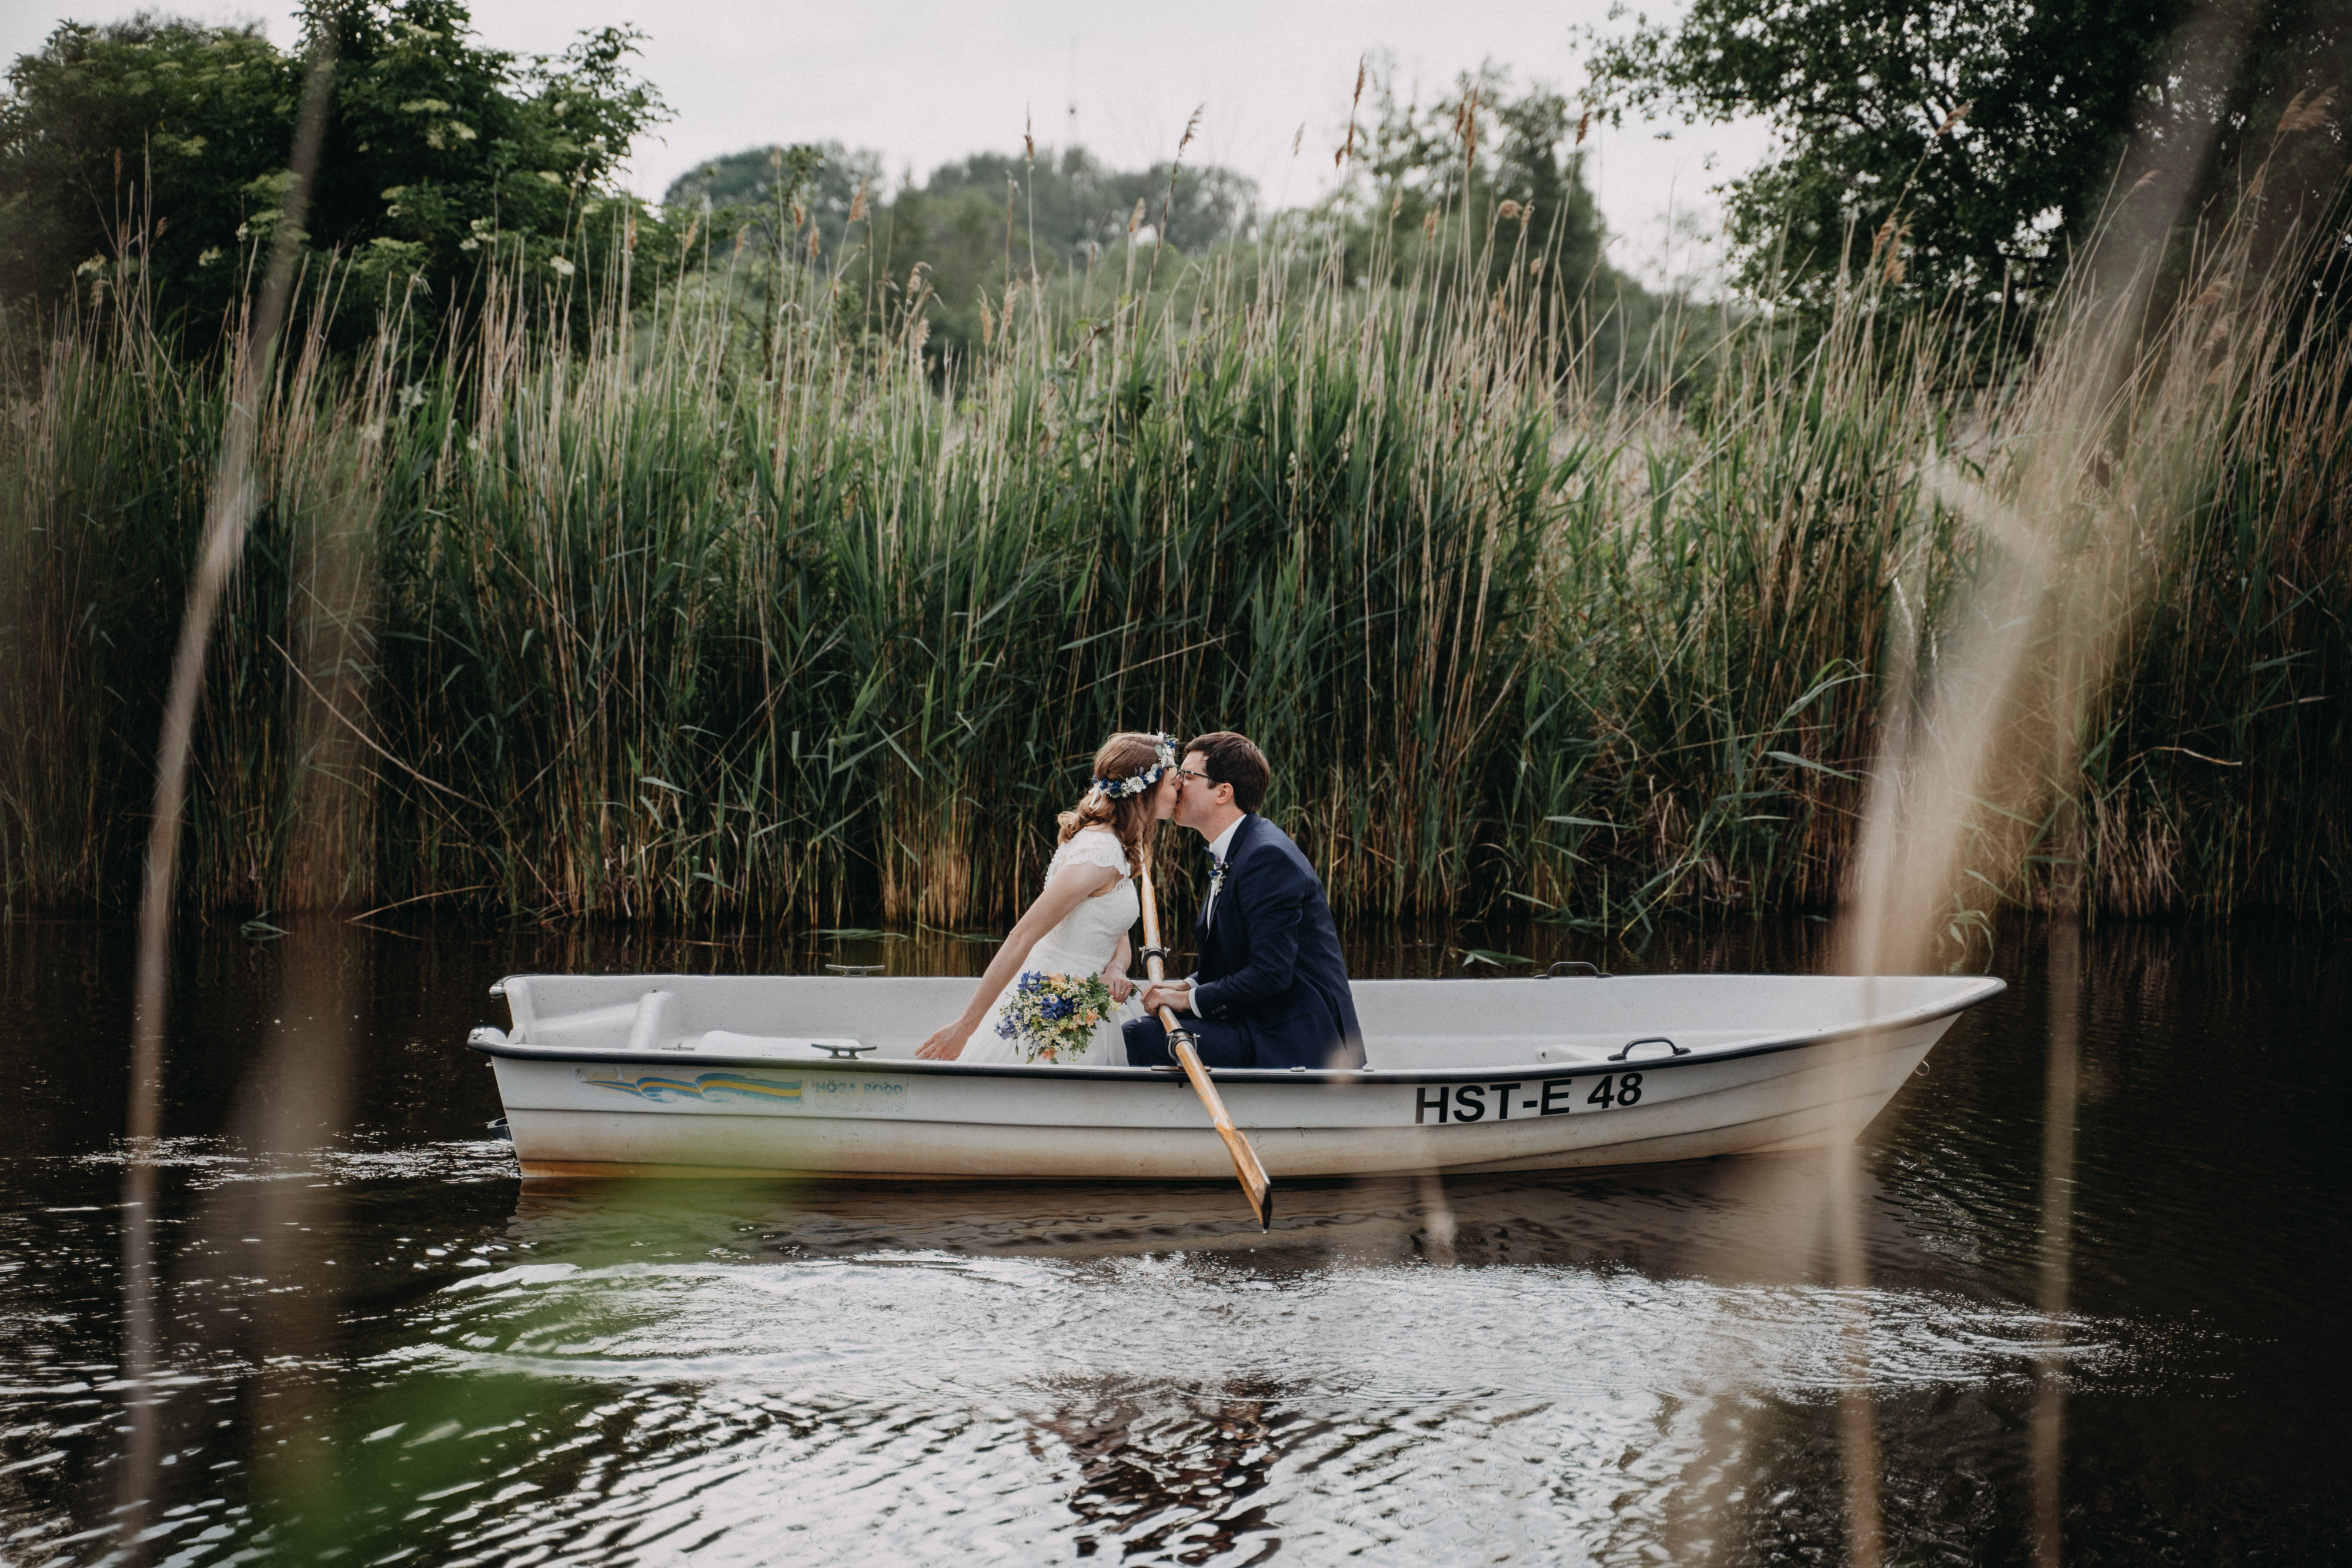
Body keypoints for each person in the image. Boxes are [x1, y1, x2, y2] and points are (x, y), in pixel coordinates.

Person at [916, 731, 1179, 1064]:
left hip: (1091, 999)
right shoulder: (1099, 853)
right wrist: (965, 1027)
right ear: (1142, 795)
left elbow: (1112, 925)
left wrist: (1116, 967)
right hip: (1056, 1002)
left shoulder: (1120, 846)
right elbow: (1022, 936)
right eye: (1172, 783)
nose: (1179, 789)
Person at [1128, 732, 1365, 1071]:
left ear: (1224, 792)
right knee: (1147, 1028)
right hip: (1260, 1019)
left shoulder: (1266, 857)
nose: (1177, 783)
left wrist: (1185, 1000)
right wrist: (1189, 983)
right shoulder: (1238, 849)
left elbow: (1271, 974)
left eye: (1188, 775)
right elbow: (1239, 957)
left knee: (1143, 1036)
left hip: (1294, 1036)